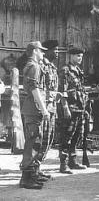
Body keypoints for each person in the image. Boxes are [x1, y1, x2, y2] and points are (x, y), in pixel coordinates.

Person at [19, 41, 49, 189]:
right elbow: (34, 89)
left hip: (32, 109)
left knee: (34, 142)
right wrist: (44, 109)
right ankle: (26, 179)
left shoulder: (31, 65)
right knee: (32, 143)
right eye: (41, 51)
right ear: (35, 51)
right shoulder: (34, 66)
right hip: (33, 109)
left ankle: (31, 175)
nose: (43, 53)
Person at [58, 47, 88, 173]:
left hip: (79, 109)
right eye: (77, 56)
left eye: (81, 56)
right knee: (66, 136)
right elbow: (62, 91)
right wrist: (65, 107)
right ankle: (63, 164)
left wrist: (85, 108)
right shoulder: (65, 71)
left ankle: (73, 161)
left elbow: (81, 90)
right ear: (70, 56)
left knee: (77, 136)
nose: (80, 58)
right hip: (69, 108)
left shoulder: (79, 71)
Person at [35, 40, 59, 179]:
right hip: (43, 108)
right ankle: (33, 170)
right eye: (55, 50)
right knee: (40, 139)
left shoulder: (52, 67)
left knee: (48, 139)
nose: (57, 53)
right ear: (47, 51)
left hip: (51, 108)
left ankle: (37, 168)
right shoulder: (40, 66)